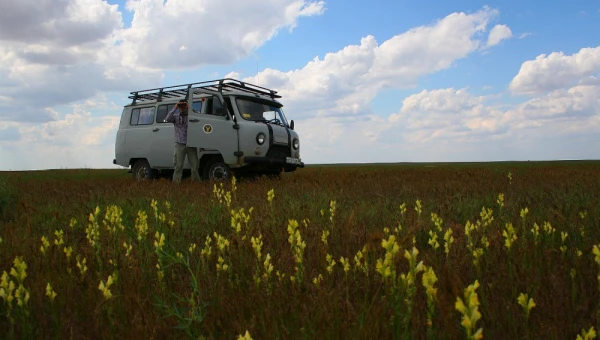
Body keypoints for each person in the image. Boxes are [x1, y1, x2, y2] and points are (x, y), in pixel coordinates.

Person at [164, 99, 201, 183]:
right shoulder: (176, 117)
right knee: (178, 166)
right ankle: (176, 184)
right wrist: (175, 107)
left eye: (184, 105)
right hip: (180, 144)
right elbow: (167, 119)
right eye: (181, 105)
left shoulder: (192, 116)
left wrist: (190, 108)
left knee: (194, 166)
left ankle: (196, 184)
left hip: (191, 143)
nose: (183, 107)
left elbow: (199, 117)